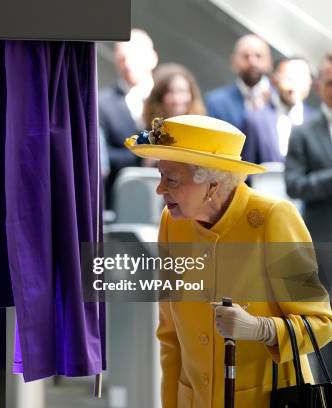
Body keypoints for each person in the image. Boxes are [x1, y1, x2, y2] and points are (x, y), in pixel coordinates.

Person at [124, 115, 332, 407]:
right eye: (161, 175)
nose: (160, 189)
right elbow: (170, 336)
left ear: (211, 183)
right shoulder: (173, 223)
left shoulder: (273, 219)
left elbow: (320, 323)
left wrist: (262, 329)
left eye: (171, 179)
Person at [99, 29, 158, 191]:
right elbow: (100, 154)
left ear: (153, 58)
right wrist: (140, 156)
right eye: (121, 58)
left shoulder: (170, 97)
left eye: (134, 56)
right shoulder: (102, 104)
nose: (127, 64)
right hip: (121, 195)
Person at [286, 53, 332, 243]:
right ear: (318, 86)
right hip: (323, 237)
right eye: (331, 83)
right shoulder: (302, 133)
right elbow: (294, 186)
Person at [243, 57, 314, 164]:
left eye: (301, 79)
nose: (294, 87)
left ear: (309, 82)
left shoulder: (317, 122)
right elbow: (246, 169)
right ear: (274, 80)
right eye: (288, 79)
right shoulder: (256, 120)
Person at [205, 34, 273, 131]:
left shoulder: (280, 99)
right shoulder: (216, 103)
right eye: (245, 56)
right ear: (233, 62)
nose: (252, 62)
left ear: (269, 61)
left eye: (258, 56)